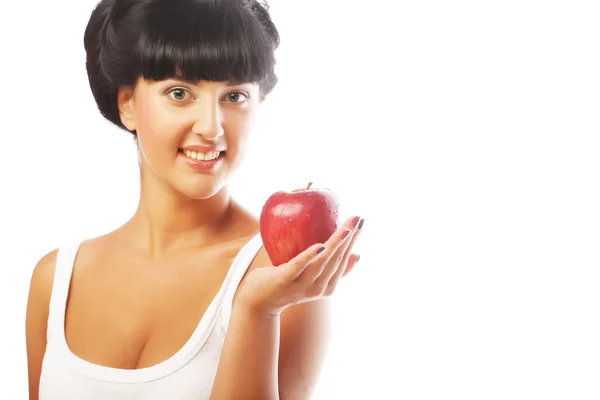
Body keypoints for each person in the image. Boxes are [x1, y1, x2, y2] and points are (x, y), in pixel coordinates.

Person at [25, 0, 364, 399]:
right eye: (180, 92)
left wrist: (257, 310)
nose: (211, 127)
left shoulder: (286, 276)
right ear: (127, 103)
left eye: (234, 96)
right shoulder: (56, 279)